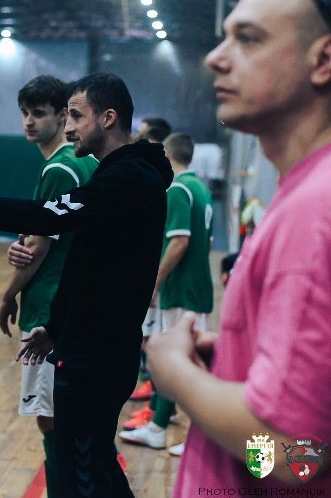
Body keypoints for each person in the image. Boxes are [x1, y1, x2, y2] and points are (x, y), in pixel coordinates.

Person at [0, 72, 173, 497]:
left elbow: (43, 216)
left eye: (76, 116)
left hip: (96, 357)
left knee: (85, 474)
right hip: (91, 347)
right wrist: (59, 327)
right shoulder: (120, 175)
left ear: (108, 118)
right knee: (95, 466)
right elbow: (90, 268)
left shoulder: (127, 179)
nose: (68, 126)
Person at [147, 0, 331, 492]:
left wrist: (179, 376)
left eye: (248, 38)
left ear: (323, 61)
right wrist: (229, 356)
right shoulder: (302, 192)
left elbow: (292, 458)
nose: (215, 58)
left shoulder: (313, 210)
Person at [0, 75, 98, 496]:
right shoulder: (86, 163)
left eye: (38, 113)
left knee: (52, 419)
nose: (28, 121)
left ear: (62, 116)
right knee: (78, 422)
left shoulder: (59, 168)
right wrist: (27, 241)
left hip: (50, 309)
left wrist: (7, 295)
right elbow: (44, 238)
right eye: (24, 113)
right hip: (81, 304)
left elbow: (40, 248)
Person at [119, 133, 213, 455]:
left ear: (168, 154)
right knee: (177, 356)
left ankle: (184, 435)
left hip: (180, 290)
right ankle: (159, 422)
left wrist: (154, 283)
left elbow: (179, 242)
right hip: (194, 288)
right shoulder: (200, 188)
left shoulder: (177, 189)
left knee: (182, 361)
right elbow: (204, 244)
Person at [129, 116, 172, 403]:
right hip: (152, 272)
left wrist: (156, 281)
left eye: (142, 134)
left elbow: (178, 241)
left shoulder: (166, 184)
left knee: (155, 337)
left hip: (161, 277)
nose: (137, 138)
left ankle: (159, 405)